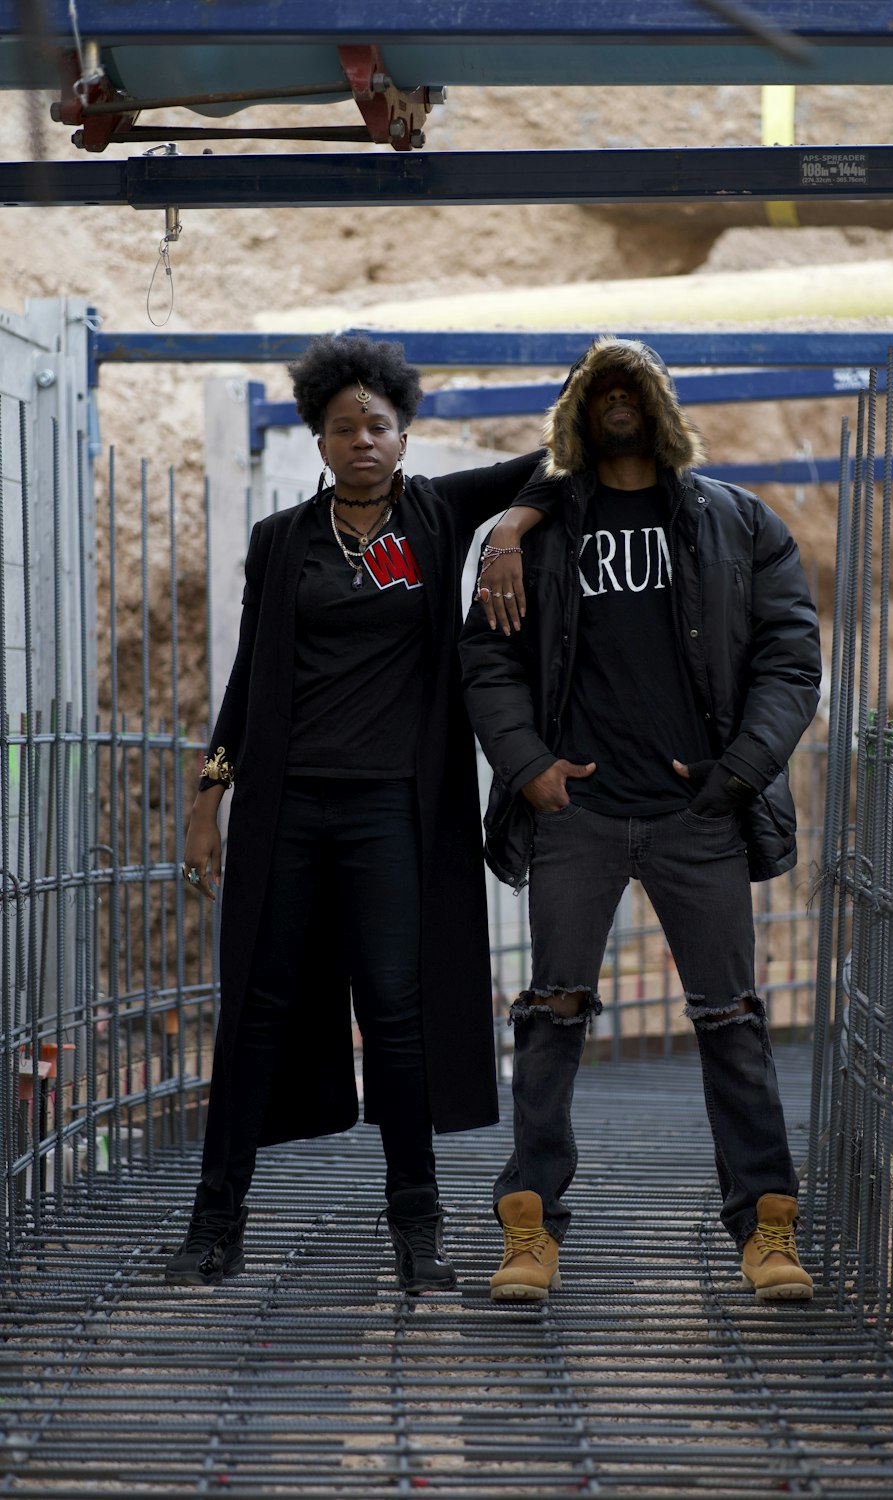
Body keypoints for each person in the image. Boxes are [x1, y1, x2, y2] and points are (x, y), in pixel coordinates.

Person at [166, 333, 546, 1292]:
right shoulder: (280, 542)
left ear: (405, 433)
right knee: (254, 1007)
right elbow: (250, 683)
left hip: (394, 813)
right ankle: (216, 1225)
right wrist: (210, 791)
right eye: (344, 427)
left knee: (397, 1013)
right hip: (286, 812)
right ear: (320, 441)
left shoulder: (443, 512)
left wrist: (507, 533)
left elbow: (556, 463)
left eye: (378, 423)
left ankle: (418, 1234)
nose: (363, 439)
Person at [459, 335, 822, 1303]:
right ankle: (529, 1228)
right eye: (600, 388)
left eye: (634, 389)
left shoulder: (738, 523)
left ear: (659, 409)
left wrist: (738, 771)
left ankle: (767, 1230)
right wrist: (528, 768)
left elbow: (790, 656)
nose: (617, 402)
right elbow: (486, 660)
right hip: (575, 811)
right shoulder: (536, 533)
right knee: (549, 1015)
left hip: (697, 811)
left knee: (732, 1019)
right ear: (578, 410)